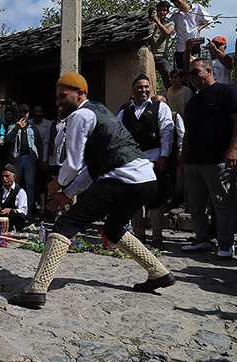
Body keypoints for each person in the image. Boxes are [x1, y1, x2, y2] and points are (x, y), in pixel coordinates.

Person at [9, 73, 175, 309]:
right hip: (146, 181)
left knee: (66, 224)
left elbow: (74, 164)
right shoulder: (99, 111)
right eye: (56, 98)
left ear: (80, 94)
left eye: (63, 96)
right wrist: (67, 193)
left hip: (123, 179)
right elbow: (91, 169)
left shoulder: (80, 115)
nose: (58, 102)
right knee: (113, 229)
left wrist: (59, 184)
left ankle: (36, 289)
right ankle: (159, 273)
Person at [179, 58, 237, 259]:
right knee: (195, 204)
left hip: (218, 159)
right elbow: (188, 131)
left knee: (221, 203)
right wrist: (182, 158)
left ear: (208, 71)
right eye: (189, 74)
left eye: (195, 72)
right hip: (193, 160)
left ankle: (226, 244)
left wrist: (233, 150)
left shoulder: (226, 91)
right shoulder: (193, 101)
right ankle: (202, 239)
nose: (191, 77)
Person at [117, 74, 174, 249]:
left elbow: (167, 132)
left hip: (154, 159)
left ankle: (157, 236)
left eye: (146, 87)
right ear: (133, 91)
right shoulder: (124, 110)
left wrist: (164, 155)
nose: (144, 90)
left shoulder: (160, 107)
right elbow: (117, 135)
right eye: (140, 87)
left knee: (156, 198)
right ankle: (139, 236)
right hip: (132, 161)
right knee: (134, 199)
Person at [6, 111, 41, 219]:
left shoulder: (33, 128)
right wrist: (16, 128)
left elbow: (38, 143)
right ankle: (13, 210)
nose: (23, 116)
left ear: (28, 114)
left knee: (30, 185)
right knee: (14, 184)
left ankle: (28, 210)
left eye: (25, 113)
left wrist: (41, 159)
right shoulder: (13, 126)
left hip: (29, 158)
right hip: (16, 158)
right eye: (21, 113)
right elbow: (8, 139)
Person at [169, 0, 212, 71]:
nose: (176, 3)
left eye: (177, 0)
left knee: (195, 67)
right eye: (174, 2)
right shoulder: (175, 16)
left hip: (194, 43)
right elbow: (167, 25)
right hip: (181, 46)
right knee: (181, 70)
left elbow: (209, 20)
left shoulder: (197, 8)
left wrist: (198, 29)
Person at [0, 164, 28, 232]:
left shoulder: (20, 191)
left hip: (11, 218)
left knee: (21, 217)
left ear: (14, 176)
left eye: (7, 176)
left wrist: (10, 211)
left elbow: (23, 210)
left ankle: (14, 229)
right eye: (3, 176)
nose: (4, 179)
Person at [149, 1, 174, 89]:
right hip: (150, 55)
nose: (162, 12)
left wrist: (157, 22)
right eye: (160, 10)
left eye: (164, 10)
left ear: (167, 12)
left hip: (161, 56)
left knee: (168, 76)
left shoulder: (170, 23)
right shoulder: (151, 23)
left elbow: (167, 32)